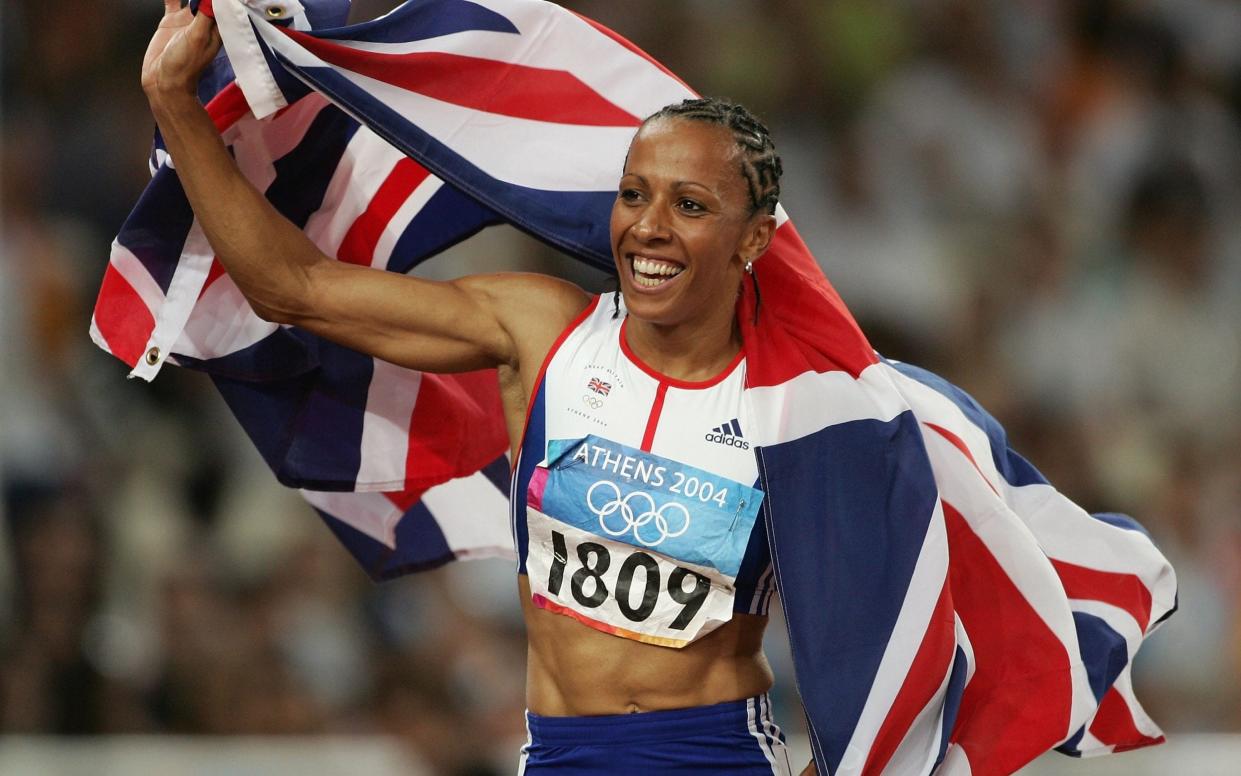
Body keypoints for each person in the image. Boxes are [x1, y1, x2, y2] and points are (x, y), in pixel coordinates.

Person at [143, 3, 804, 773]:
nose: (649, 227)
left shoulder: (793, 400)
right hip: (562, 754)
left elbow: (879, 633)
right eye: (633, 195)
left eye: (689, 206)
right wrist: (173, 103)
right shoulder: (542, 329)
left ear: (753, 238)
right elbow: (294, 288)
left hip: (719, 754)